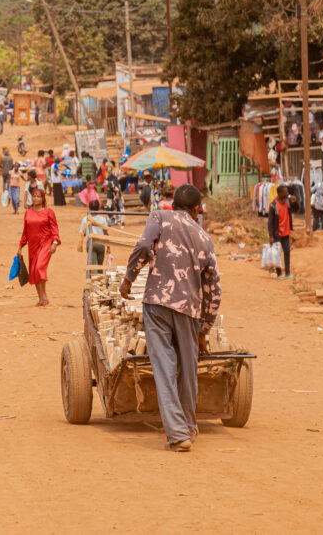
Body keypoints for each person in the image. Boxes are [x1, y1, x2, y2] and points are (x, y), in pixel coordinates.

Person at [119, 184, 221, 452]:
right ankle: (187, 427)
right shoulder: (204, 238)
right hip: (189, 309)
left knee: (164, 368)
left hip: (156, 304)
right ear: (197, 210)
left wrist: (129, 278)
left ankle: (178, 434)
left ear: (173, 204)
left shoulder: (159, 217)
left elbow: (143, 246)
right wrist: (204, 330)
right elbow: (213, 289)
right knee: (188, 371)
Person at [17, 186, 60, 306]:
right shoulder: (28, 213)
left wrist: (55, 243)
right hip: (32, 246)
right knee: (34, 271)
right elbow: (25, 231)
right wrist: (20, 246)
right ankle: (41, 298)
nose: (36, 198)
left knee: (39, 268)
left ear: (42, 198)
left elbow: (54, 228)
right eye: (34, 196)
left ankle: (44, 296)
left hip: (46, 244)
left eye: (38, 196)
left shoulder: (48, 212)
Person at [267, 185, 294, 279]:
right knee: (277, 254)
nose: (287, 193)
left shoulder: (288, 202)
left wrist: (296, 201)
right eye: (285, 192)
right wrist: (271, 236)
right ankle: (279, 273)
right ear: (280, 193)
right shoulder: (273, 205)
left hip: (286, 232)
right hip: (277, 233)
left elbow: (296, 209)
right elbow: (270, 222)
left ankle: (287, 272)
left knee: (287, 252)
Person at [81, 199, 108, 270]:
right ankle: (99, 279)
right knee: (100, 266)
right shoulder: (103, 219)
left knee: (94, 266)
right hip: (101, 244)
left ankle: (95, 279)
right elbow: (106, 234)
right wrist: (108, 247)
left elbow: (82, 233)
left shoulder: (85, 219)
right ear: (98, 208)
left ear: (89, 208)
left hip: (91, 243)